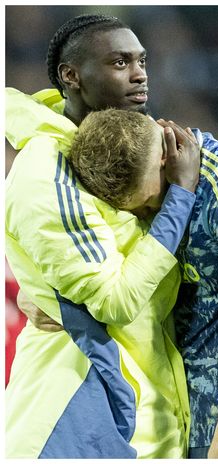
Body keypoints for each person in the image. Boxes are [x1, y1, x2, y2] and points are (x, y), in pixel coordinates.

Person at [5, 14, 200, 458]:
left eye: (142, 61)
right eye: (119, 62)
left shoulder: (131, 149)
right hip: (74, 416)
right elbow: (114, 300)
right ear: (71, 76)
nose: (140, 74)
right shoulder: (47, 169)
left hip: (141, 414)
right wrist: (179, 199)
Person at [68, 108, 218, 459]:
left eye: (149, 203)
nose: (148, 217)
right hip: (193, 417)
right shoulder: (155, 181)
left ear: (166, 160)